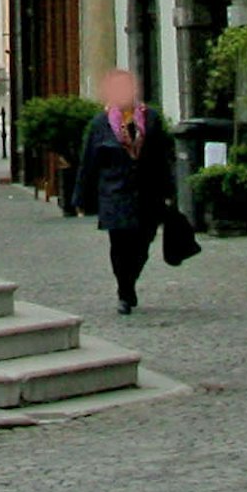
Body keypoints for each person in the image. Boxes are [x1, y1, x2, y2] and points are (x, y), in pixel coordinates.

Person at [65, 67, 186, 315]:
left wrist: (170, 189)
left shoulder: (149, 118)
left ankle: (130, 279)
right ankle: (125, 291)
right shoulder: (101, 124)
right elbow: (88, 162)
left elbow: (164, 156)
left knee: (143, 243)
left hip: (147, 193)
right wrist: (79, 197)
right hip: (115, 193)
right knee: (120, 245)